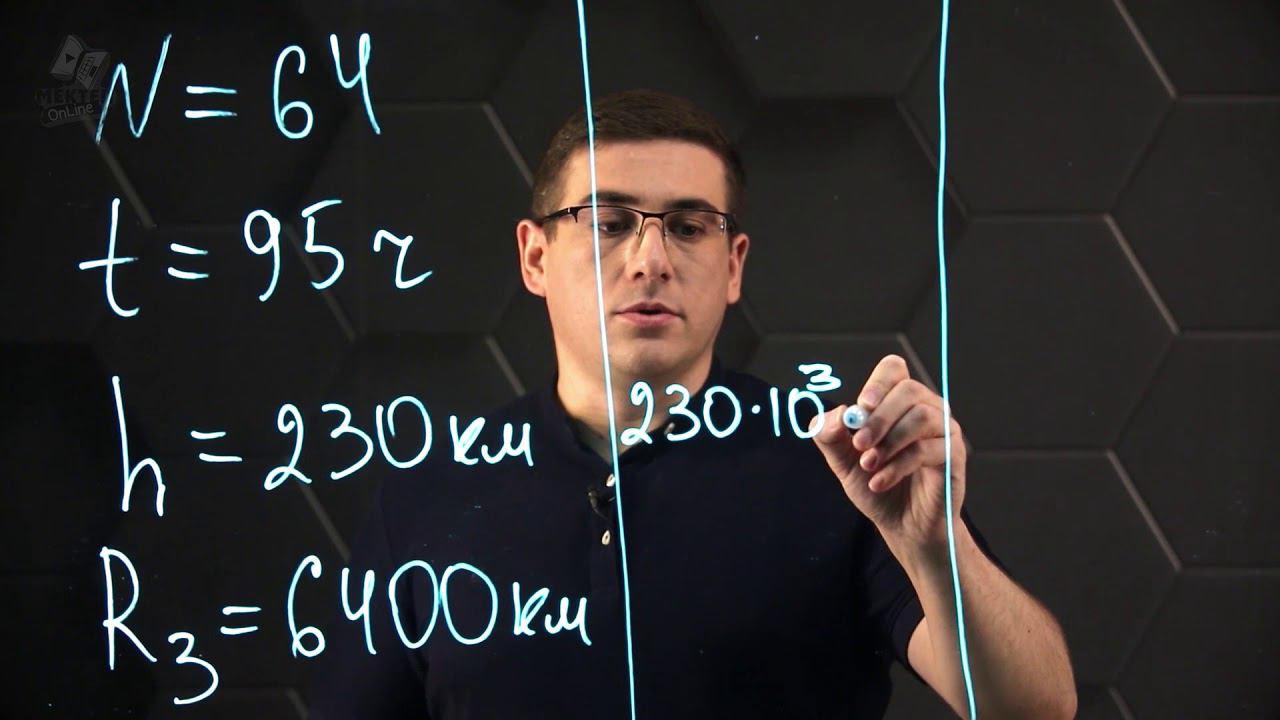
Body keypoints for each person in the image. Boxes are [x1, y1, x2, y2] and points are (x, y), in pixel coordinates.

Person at [306, 88, 1076, 719]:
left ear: (733, 265)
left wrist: (937, 548)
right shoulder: (427, 496)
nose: (651, 260)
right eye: (609, 223)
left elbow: (1035, 709)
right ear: (535, 257)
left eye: (687, 226)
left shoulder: (846, 471)